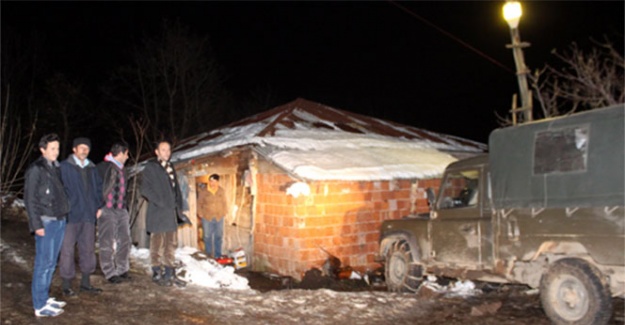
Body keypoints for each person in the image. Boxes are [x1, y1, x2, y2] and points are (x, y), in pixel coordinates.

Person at [25, 133, 70, 317]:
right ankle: (39, 304)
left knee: (51, 262)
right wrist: (37, 225)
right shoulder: (36, 169)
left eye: (58, 148)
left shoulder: (55, 167)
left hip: (59, 219)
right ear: (43, 149)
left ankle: (44, 296)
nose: (56, 152)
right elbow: (30, 199)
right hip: (46, 221)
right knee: (43, 263)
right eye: (52, 148)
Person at [141, 140, 190, 287]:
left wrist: (179, 206)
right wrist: (160, 202)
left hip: (171, 212)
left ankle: (169, 272)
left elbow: (175, 190)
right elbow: (145, 189)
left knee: (171, 244)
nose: (166, 153)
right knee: (157, 243)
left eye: (168, 150)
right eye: (163, 150)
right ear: (157, 152)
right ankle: (157, 271)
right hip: (158, 212)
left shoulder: (170, 166)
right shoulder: (151, 167)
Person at [59, 137, 103, 296]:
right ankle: (66, 284)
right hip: (70, 216)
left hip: (88, 215)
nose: (84, 150)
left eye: (87, 148)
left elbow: (99, 189)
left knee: (88, 249)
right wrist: (63, 209)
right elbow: (59, 190)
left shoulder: (92, 168)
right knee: (67, 250)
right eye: (81, 147)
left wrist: (99, 206)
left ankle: (86, 283)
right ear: (74, 149)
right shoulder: (64, 167)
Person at [96, 142, 131, 284]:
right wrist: (98, 207)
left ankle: (122, 269)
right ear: (121, 153)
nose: (128, 157)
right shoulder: (103, 168)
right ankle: (109, 272)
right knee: (106, 241)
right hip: (107, 209)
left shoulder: (124, 170)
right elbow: (96, 188)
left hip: (121, 209)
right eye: (127, 154)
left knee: (125, 240)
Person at [197, 174, 228, 258]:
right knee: (207, 236)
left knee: (218, 236)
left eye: (214, 181)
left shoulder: (221, 191)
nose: (212, 183)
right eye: (211, 181)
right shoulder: (204, 191)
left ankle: (218, 255)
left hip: (219, 216)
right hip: (207, 217)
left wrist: (224, 212)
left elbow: (224, 202)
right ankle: (209, 256)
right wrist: (200, 213)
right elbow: (199, 203)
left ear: (218, 182)